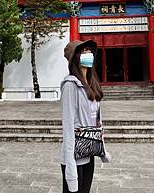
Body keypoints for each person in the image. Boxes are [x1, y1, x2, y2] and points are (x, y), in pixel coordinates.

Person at [60, 40, 110, 193]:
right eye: (83, 51)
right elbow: (68, 127)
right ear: (75, 57)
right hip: (74, 155)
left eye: (90, 51)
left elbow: (97, 123)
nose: (88, 54)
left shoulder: (92, 84)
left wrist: (102, 150)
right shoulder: (70, 85)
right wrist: (70, 167)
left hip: (89, 151)